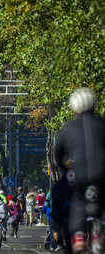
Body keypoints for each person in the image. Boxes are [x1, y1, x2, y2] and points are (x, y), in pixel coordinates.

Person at [55, 87, 105, 254]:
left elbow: (58, 156)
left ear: (74, 108)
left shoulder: (68, 129)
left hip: (80, 176)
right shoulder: (102, 125)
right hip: (102, 176)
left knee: (77, 203)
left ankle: (77, 235)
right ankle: (99, 232)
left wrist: (67, 170)